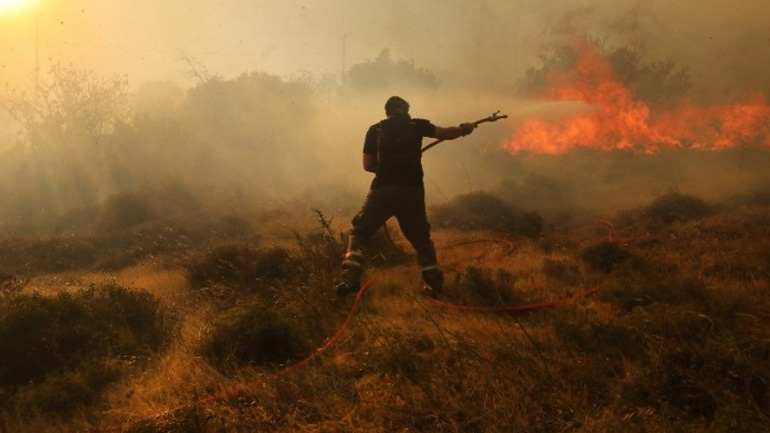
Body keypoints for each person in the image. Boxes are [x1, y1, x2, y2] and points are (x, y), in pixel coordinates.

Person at [335, 96, 476, 297]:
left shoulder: (375, 130)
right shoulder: (417, 125)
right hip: (412, 190)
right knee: (421, 238)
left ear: (387, 112)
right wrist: (464, 129)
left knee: (361, 231)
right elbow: (445, 133)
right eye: (407, 109)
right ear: (401, 109)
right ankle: (433, 283)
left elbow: (367, 165)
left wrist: (385, 169)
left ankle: (350, 278)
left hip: (383, 189)